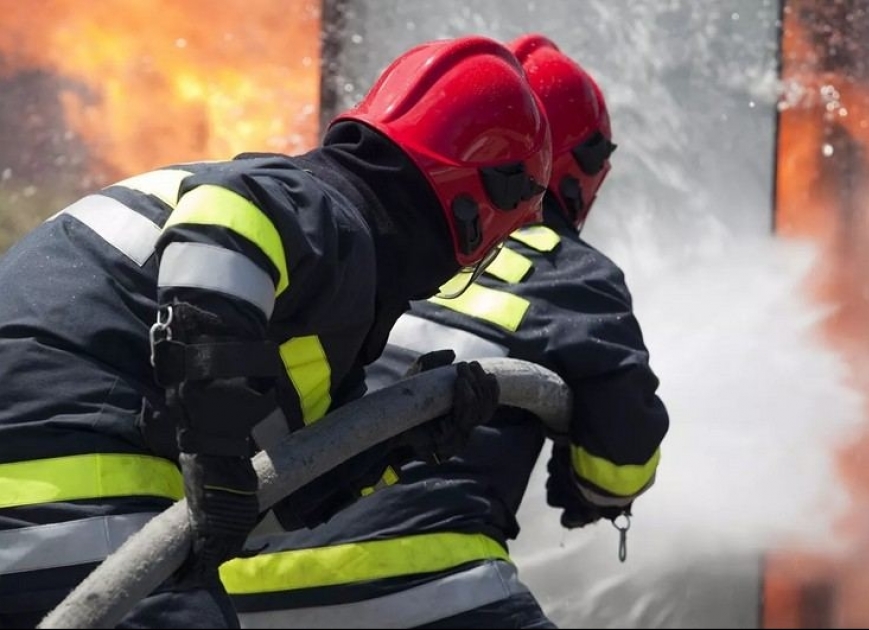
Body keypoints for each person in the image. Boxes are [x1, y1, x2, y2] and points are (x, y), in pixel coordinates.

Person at [0, 35, 552, 628]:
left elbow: (250, 510)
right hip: (76, 502)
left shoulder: (294, 298)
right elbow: (229, 221)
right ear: (480, 203)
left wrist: (398, 447)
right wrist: (213, 455)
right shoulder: (323, 211)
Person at [220, 33, 670, 629]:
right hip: (417, 581)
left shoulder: (356, 242)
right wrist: (589, 488)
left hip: (232, 587)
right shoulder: (567, 271)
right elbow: (620, 465)